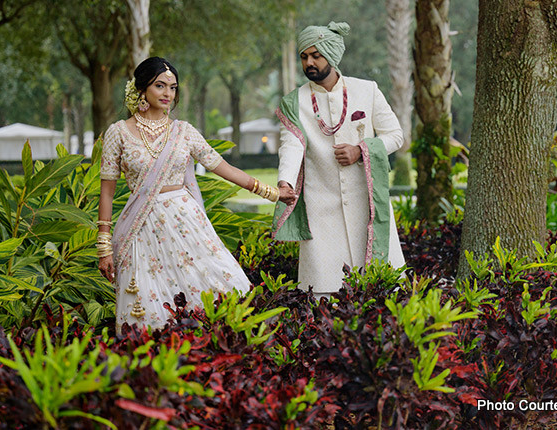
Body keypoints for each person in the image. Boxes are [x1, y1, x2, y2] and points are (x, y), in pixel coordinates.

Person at [97, 57, 279, 330]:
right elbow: (107, 193)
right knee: (149, 303)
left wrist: (271, 192)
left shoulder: (184, 132)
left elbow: (225, 168)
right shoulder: (118, 133)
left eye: (173, 87)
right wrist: (103, 246)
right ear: (142, 88)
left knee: (215, 285)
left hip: (186, 223)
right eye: (160, 86)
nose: (168, 93)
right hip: (141, 226)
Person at [273, 21, 406, 297]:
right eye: (304, 56)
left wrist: (361, 150)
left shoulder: (366, 90)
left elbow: (396, 136)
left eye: (316, 55)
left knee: (379, 287)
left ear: (331, 55)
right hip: (320, 205)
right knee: (323, 287)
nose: (309, 62)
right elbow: (291, 145)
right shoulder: (294, 101)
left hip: (366, 202)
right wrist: (285, 181)